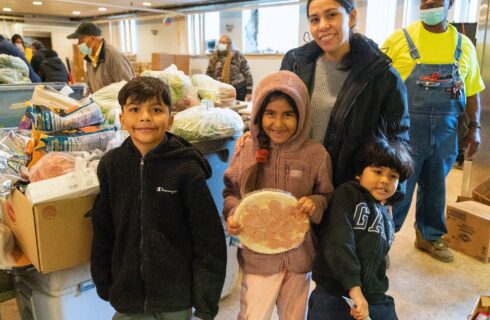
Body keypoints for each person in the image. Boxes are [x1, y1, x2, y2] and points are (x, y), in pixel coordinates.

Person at [91, 77, 227, 320]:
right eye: (135, 110)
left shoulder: (186, 169)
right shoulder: (111, 166)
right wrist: (105, 283)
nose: (145, 117)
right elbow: (103, 230)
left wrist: (206, 302)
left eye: (156, 110)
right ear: (122, 119)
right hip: (127, 296)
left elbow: (209, 240)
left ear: (170, 119)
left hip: (175, 299)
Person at [223, 70, 334, 320]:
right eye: (270, 114)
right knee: (254, 314)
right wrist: (233, 213)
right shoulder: (248, 149)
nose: (278, 123)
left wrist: (315, 204)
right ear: (259, 114)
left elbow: (325, 194)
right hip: (258, 258)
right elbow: (230, 191)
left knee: (295, 316)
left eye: (288, 115)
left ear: (302, 115)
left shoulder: (316, 155)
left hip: (299, 257)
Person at [382, 0, 485, 262]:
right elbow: (378, 86)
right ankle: (381, 240)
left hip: (446, 132)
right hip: (405, 132)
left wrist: (475, 128)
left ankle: (429, 236)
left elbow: (472, 91)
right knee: (397, 188)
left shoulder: (464, 45)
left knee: (436, 187)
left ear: (450, 3)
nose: (429, 2)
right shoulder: (399, 41)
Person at [280, 0, 410, 189]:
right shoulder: (295, 63)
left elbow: (397, 138)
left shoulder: (382, 75)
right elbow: (276, 109)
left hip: (349, 187)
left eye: (331, 15)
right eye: (315, 19)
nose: (322, 26)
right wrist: (253, 136)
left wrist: (391, 193)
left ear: (352, 17)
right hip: (296, 179)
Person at [309, 137, 413, 320]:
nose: (385, 180)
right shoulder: (348, 194)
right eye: (378, 171)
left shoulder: (386, 215)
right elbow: (339, 242)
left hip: (372, 296)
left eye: (393, 176)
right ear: (359, 173)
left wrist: (371, 293)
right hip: (335, 290)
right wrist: (354, 289)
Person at [67, 22, 134, 93]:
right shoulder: (89, 59)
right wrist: (84, 102)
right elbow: (90, 89)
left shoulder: (113, 56)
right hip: (99, 103)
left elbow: (127, 87)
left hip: (114, 103)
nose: (78, 44)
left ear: (92, 39)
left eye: (81, 39)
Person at [206, 35, 253, 101]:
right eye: (220, 42)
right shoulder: (214, 56)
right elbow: (209, 73)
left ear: (229, 44)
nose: (221, 44)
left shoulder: (237, 55)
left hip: (238, 89)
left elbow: (247, 73)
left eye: (224, 43)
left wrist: (249, 92)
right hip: (219, 90)